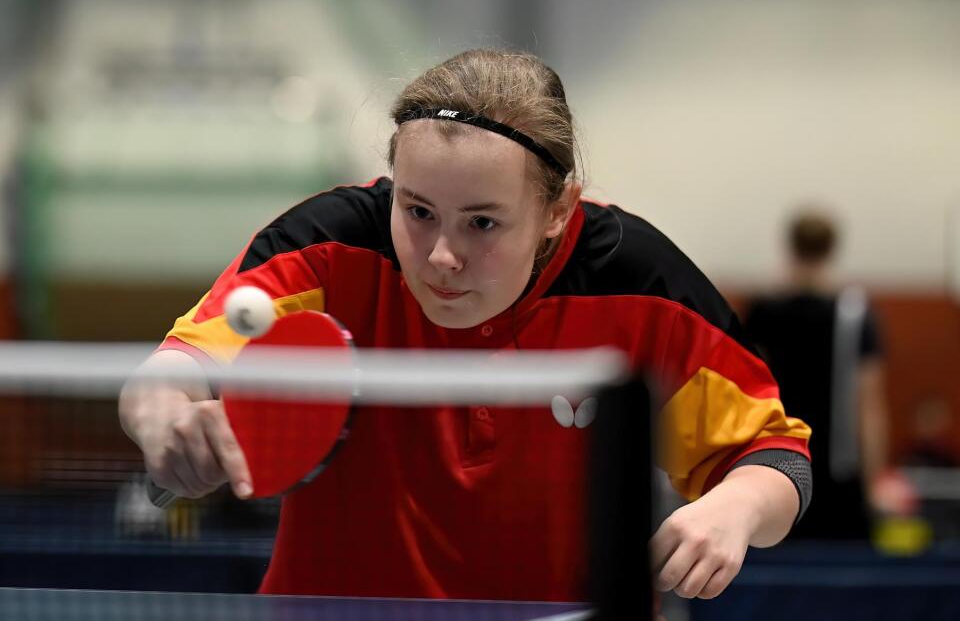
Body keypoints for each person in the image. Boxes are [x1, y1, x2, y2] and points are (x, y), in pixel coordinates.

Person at [119, 49, 811, 602]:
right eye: (417, 211)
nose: (442, 256)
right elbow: (168, 375)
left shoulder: (640, 283)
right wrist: (165, 420)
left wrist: (734, 512)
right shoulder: (328, 250)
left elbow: (776, 458)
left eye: (482, 222)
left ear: (558, 210)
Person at [744, 210, 887, 539]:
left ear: (790, 247)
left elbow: (748, 392)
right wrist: (875, 480)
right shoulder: (855, 314)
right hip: (839, 474)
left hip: (777, 466)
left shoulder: (764, 311)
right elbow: (870, 406)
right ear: (831, 250)